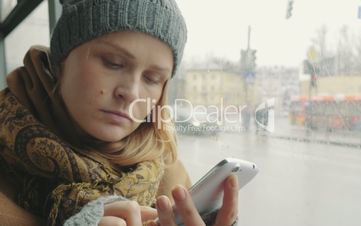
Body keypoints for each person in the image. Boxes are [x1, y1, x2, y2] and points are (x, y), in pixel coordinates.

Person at [0, 0, 239, 225]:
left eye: (152, 79)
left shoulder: (166, 168)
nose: (132, 93)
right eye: (113, 63)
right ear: (61, 61)